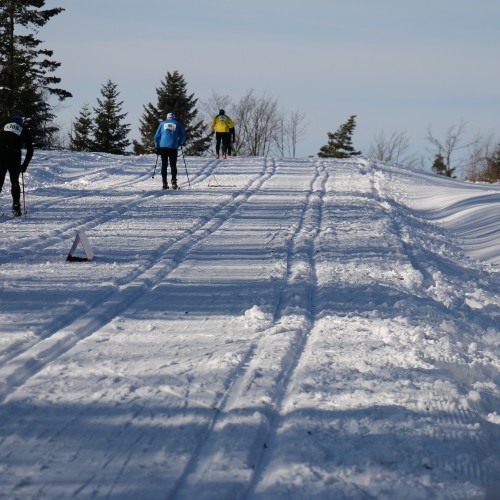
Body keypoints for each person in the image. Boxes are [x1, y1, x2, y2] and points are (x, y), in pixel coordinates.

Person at [0, 114, 34, 217]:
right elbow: (30, 149)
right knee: (14, 181)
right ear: (21, 122)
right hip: (14, 155)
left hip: (1, 154)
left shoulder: (3, 126)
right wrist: (24, 165)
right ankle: (16, 207)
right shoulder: (23, 129)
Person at [154, 112, 186, 190]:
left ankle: (164, 183)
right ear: (174, 117)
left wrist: (157, 146)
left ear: (167, 118)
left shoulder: (162, 124)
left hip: (163, 146)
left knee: (164, 165)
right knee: (173, 164)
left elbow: (156, 137)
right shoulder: (178, 124)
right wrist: (179, 143)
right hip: (173, 146)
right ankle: (174, 181)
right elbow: (182, 136)